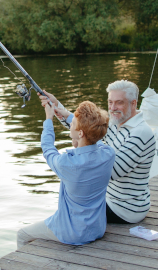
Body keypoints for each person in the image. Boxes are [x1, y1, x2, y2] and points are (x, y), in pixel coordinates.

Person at [38, 79, 156, 225]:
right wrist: (57, 107)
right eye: (110, 102)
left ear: (133, 103)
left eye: (119, 102)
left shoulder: (140, 133)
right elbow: (88, 133)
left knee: (71, 206)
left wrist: (79, 152)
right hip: (107, 199)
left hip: (125, 209)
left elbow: (108, 171)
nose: (113, 108)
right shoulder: (115, 122)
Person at [17, 100, 115, 249]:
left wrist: (48, 119)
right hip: (97, 229)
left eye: (74, 123)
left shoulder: (67, 163)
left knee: (22, 234)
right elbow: (94, 139)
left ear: (80, 133)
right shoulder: (108, 154)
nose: (72, 124)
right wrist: (68, 116)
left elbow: (48, 149)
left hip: (71, 233)